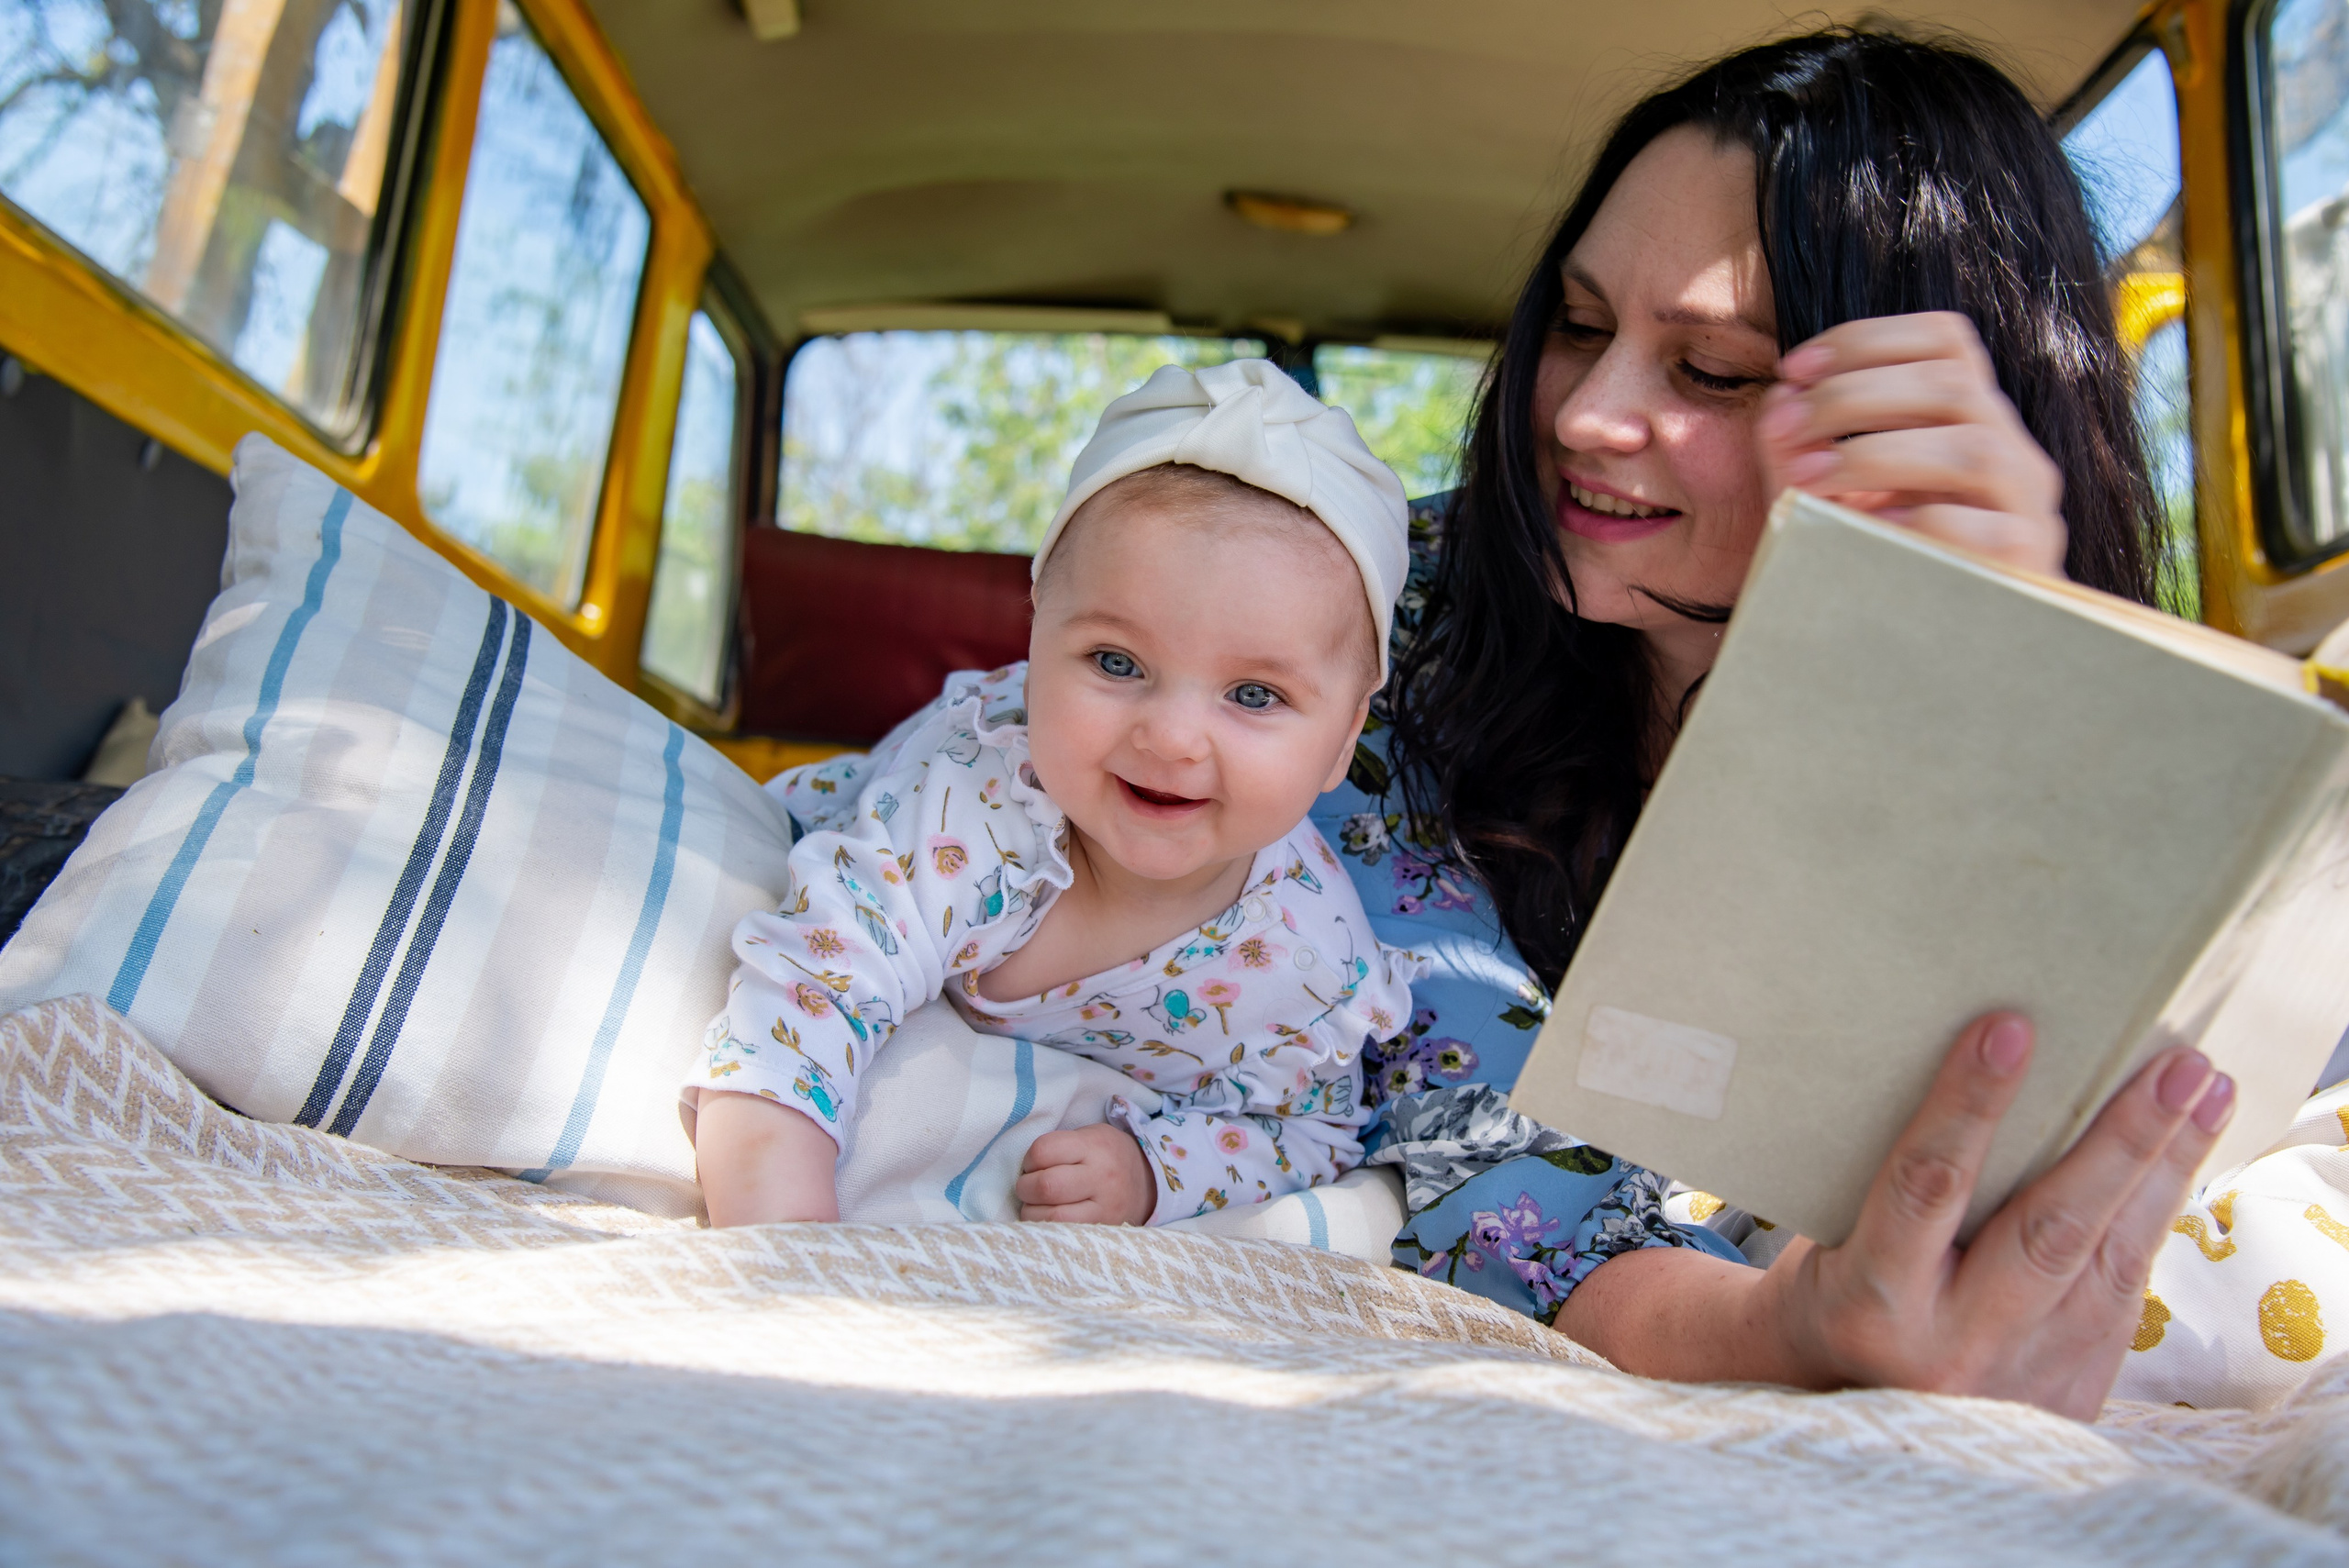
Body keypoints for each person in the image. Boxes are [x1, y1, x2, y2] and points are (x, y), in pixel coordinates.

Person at [1318, 28, 2233, 1418]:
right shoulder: (1370, 622)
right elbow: (1481, 1142)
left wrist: (2012, 697)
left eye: (1716, 371)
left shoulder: (2112, 734)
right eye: (1577, 326)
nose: (1587, 415)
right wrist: (1788, 1332)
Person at [690, 359, 1426, 1229]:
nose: (1172, 737)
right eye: (1117, 663)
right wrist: (783, 1249)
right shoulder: (981, 796)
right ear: (1035, 642)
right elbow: (810, 991)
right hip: (851, 850)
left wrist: (1157, 1171)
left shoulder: (1313, 964)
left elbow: (1311, 1129)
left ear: (1345, 738)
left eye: (1254, 695)